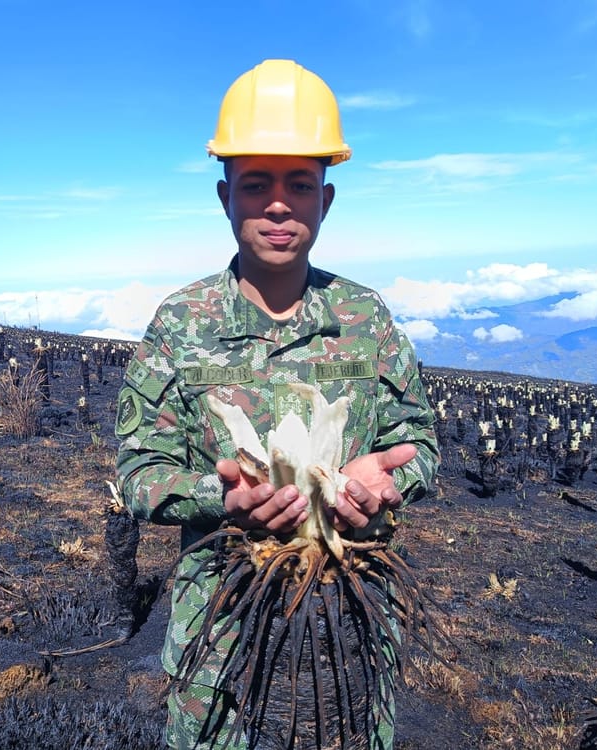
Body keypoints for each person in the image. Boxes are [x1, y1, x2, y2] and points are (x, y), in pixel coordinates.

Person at [115, 59, 438, 750]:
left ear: (327, 199)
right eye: (256, 184)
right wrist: (222, 498)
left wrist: (387, 484)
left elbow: (420, 442)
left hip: (349, 638)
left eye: (300, 184)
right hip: (221, 648)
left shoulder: (365, 318)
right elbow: (139, 474)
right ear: (225, 196)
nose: (280, 205)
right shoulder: (181, 324)